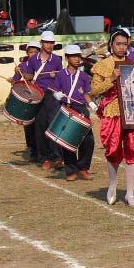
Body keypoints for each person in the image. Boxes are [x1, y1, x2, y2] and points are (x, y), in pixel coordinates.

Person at [90, 29, 134, 207]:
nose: (121, 47)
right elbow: (95, 90)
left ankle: (130, 193)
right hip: (112, 111)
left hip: (132, 112)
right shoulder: (103, 65)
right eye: (118, 44)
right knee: (112, 149)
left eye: (124, 44)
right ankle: (113, 186)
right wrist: (111, 79)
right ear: (111, 44)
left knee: (133, 148)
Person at [52, 45, 98, 181]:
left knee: (88, 140)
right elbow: (55, 91)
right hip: (67, 108)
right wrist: (59, 95)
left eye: (79, 56)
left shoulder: (83, 76)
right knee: (68, 140)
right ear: (67, 58)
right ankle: (71, 170)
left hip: (81, 109)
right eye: (74, 56)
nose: (77, 59)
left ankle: (83, 168)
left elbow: (86, 94)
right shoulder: (60, 74)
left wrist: (93, 106)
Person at [24, 31, 64, 170]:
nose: (50, 45)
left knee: (54, 125)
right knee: (40, 126)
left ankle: (57, 157)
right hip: (38, 95)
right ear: (41, 43)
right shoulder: (33, 59)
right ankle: (44, 157)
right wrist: (23, 74)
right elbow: (29, 75)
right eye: (47, 42)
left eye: (52, 42)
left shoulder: (57, 60)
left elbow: (61, 78)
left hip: (52, 97)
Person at [11, 41, 41, 162]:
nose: (33, 54)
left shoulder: (43, 65)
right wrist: (14, 78)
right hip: (28, 100)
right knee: (29, 125)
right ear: (27, 53)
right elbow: (15, 82)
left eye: (35, 52)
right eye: (30, 52)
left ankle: (44, 151)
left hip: (42, 98)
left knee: (42, 124)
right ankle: (33, 150)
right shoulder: (22, 66)